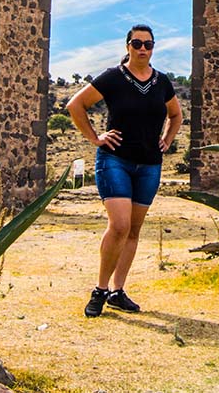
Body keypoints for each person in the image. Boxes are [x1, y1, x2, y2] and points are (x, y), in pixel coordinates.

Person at [67, 24, 182, 318]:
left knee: (132, 230)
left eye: (148, 44)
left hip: (150, 164)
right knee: (119, 225)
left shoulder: (162, 82)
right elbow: (75, 104)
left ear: (154, 47)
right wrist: (95, 137)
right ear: (128, 46)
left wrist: (167, 139)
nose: (143, 49)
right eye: (137, 43)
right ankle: (100, 289)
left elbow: (176, 113)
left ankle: (118, 291)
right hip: (114, 160)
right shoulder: (114, 78)